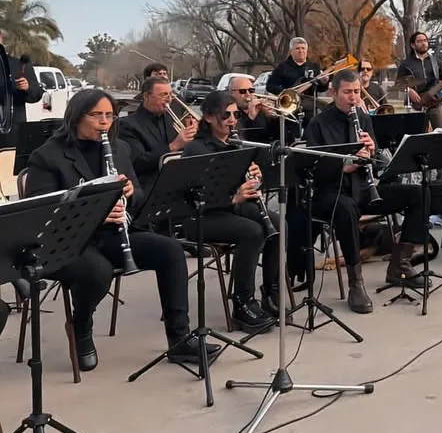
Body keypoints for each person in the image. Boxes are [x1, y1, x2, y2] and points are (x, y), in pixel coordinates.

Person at [23, 88, 214, 371]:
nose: (105, 122)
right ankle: (81, 325)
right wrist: (95, 213)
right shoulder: (48, 156)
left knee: (171, 251)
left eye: (110, 116)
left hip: (113, 234)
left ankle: (179, 339)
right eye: (96, 115)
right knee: (97, 272)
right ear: (76, 116)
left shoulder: (119, 148)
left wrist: (128, 193)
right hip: (69, 241)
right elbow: (43, 215)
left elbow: (137, 194)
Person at [303, 70, 429, 309]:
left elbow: (378, 163)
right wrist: (345, 166)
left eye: (357, 92)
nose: (353, 97)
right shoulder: (318, 124)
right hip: (332, 193)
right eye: (347, 92)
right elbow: (313, 170)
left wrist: (371, 152)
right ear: (333, 92)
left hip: (364, 190)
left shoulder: (363, 117)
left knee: (418, 194)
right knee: (347, 209)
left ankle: (399, 265)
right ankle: (356, 283)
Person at [182, 91, 278, 331]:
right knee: (252, 232)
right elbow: (197, 195)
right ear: (209, 117)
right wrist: (234, 197)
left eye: (235, 114)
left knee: (277, 223)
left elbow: (251, 182)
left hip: (229, 209)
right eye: (226, 115)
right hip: (201, 216)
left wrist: (257, 178)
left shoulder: (237, 144)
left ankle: (271, 292)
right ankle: (242, 302)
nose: (232, 120)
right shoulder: (197, 150)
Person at [118, 78, 197, 198]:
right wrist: (173, 146)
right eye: (163, 95)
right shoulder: (127, 124)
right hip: (149, 188)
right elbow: (138, 162)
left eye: (170, 94)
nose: (169, 99)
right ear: (146, 96)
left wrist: (191, 133)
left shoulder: (171, 118)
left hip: (176, 184)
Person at [397, 32, 442, 130]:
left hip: (436, 103)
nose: (423, 43)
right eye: (419, 41)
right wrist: (409, 90)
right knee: (418, 135)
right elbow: (398, 84)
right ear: (413, 45)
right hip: (417, 106)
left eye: (425, 40)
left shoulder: (435, 61)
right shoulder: (406, 63)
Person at [0, 32, 43, 150]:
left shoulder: (19, 65)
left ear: (1, 39)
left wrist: (28, 87)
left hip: (11, 133)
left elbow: (37, 93)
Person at [266, 38, 329, 119]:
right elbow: (270, 86)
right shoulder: (282, 67)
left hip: (310, 110)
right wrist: (285, 93)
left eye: (303, 48)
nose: (301, 51)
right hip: (289, 110)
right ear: (291, 51)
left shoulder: (314, 67)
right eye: (297, 48)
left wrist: (324, 82)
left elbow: (320, 89)